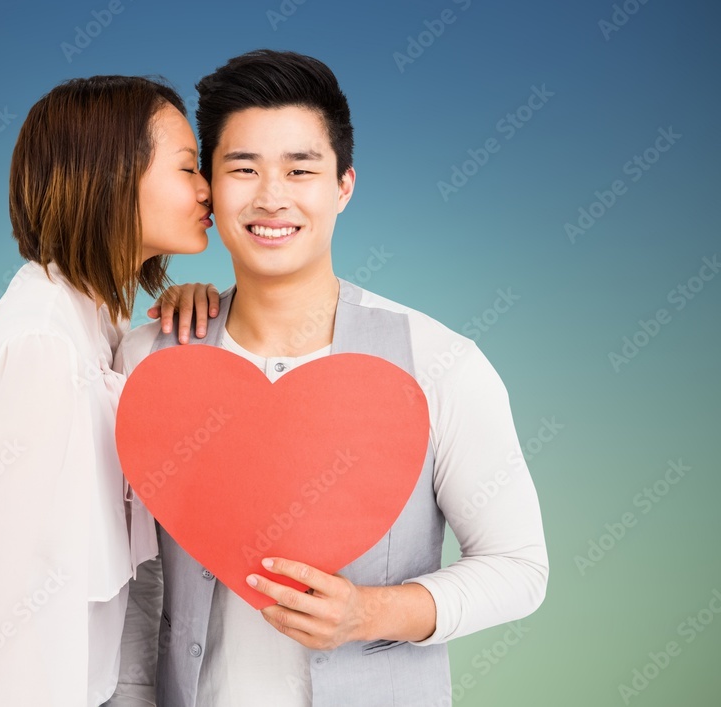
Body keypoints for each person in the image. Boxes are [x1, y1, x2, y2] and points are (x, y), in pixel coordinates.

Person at [110, 50, 549, 707]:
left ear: (344, 184)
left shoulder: (437, 361)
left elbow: (520, 568)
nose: (271, 196)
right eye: (243, 168)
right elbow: (131, 582)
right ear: (208, 188)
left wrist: (374, 613)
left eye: (300, 168)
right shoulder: (148, 358)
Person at [0, 75, 222, 706]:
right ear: (112, 178)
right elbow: (15, 597)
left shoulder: (86, 321)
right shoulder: (42, 348)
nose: (207, 188)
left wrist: (191, 304)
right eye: (187, 169)